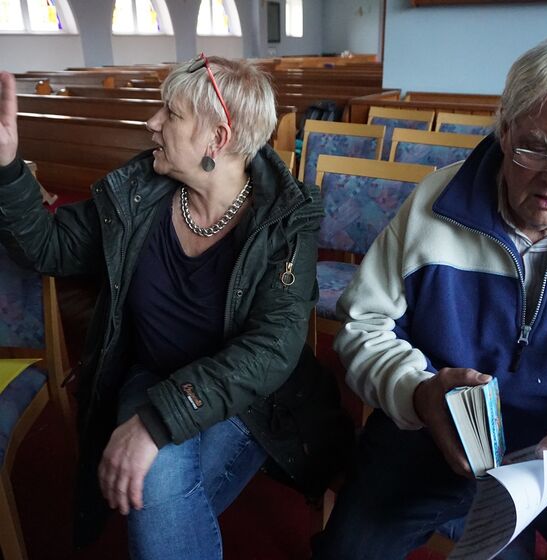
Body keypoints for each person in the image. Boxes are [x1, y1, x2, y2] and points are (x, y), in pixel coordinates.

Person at [0, 55, 327, 559]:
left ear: (216, 138)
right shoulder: (139, 194)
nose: (151, 123)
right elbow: (50, 246)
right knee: (158, 490)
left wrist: (156, 421)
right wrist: (7, 167)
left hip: (247, 398)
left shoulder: (284, 219)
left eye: (170, 113)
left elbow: (271, 348)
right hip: (151, 372)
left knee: (153, 490)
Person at [311, 35, 547, 560]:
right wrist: (417, 394)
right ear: (505, 128)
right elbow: (362, 324)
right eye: (537, 148)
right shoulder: (435, 203)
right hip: (426, 427)